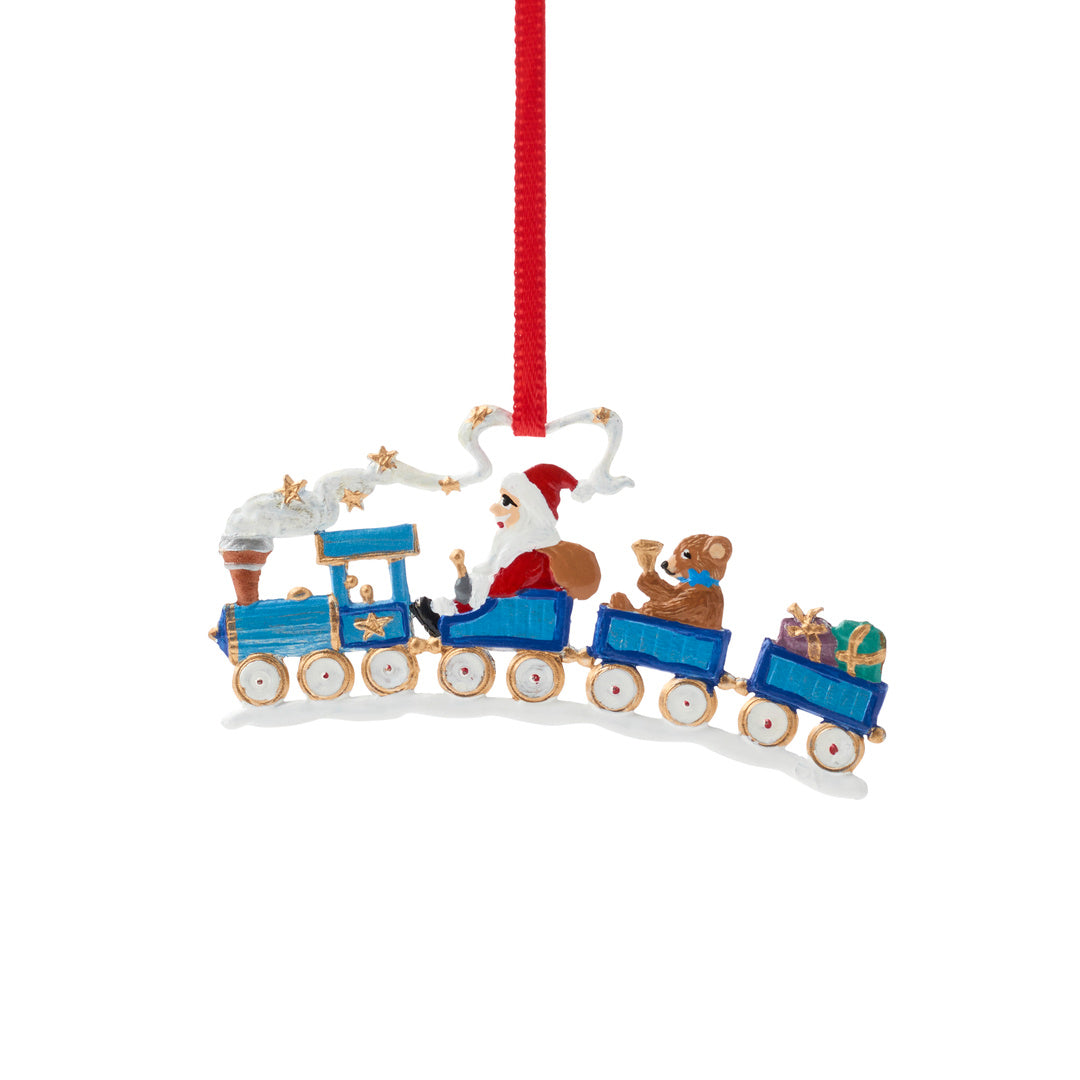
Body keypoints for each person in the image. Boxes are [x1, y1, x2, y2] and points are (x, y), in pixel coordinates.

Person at [411, 464, 600, 635]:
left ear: (530, 512)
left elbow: (500, 589)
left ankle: (451, 616)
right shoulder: (516, 548)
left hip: (513, 616)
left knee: (476, 599)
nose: (494, 508)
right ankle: (452, 609)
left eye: (506, 502)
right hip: (502, 610)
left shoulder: (531, 558)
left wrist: (475, 587)